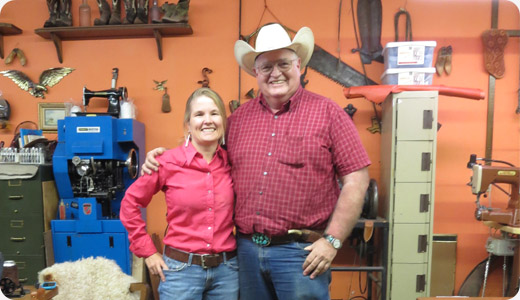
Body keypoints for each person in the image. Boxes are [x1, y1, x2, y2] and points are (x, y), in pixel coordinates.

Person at [143, 23, 371, 300]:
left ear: (299, 64)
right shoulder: (237, 120)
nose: (276, 73)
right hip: (245, 253)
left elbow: (356, 179)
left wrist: (332, 241)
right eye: (266, 66)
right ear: (255, 71)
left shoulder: (329, 113)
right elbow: (206, 156)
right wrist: (162, 157)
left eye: (283, 63)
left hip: (300, 255)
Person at [120, 87, 238, 300]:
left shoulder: (233, 162)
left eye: (214, 113)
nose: (207, 120)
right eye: (199, 114)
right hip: (181, 272)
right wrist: (147, 251)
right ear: (188, 124)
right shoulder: (167, 162)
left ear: (223, 121)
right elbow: (130, 202)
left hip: (226, 272)